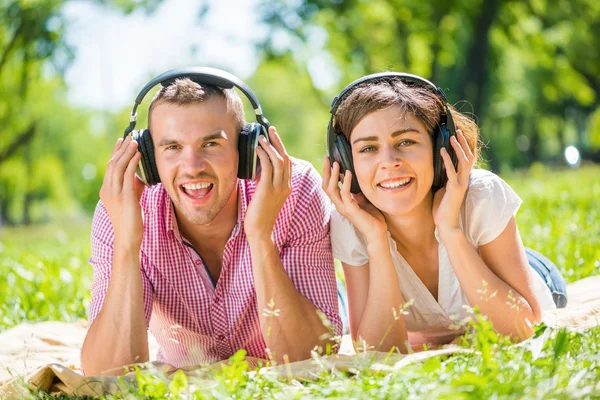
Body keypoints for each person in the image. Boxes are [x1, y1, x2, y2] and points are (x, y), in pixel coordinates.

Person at [81, 68, 342, 376]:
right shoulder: (122, 208)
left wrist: (260, 238)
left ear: (248, 150)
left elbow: (314, 358)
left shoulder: (294, 189)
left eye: (211, 144)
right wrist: (127, 244)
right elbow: (106, 376)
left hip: (302, 313)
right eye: (173, 147)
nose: (192, 167)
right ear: (148, 158)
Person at [322, 72, 567, 353]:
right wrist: (376, 240)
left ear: (441, 146)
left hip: (531, 274)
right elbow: (376, 353)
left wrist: (450, 230)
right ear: (345, 161)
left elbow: (521, 328)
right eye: (368, 148)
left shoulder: (480, 195)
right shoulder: (351, 221)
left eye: (406, 142)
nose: (388, 162)